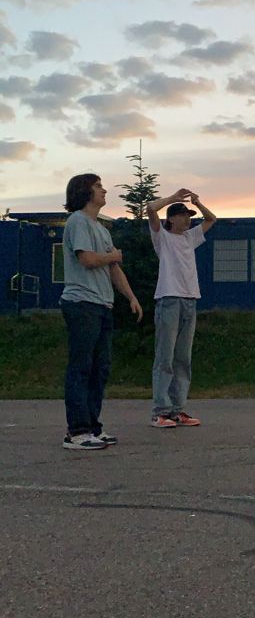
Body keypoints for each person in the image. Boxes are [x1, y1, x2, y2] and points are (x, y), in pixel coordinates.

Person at [61, 173, 143, 450]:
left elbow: (113, 269)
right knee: (81, 367)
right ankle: (77, 432)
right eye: (98, 186)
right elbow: (87, 259)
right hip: (81, 304)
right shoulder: (78, 222)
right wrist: (114, 256)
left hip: (102, 305)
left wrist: (131, 297)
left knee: (100, 369)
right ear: (85, 192)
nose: (104, 190)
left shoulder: (102, 229)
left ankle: (92, 428)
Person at [147, 188, 216, 428]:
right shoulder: (162, 237)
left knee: (183, 358)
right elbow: (150, 209)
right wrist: (172, 199)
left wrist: (198, 201)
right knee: (165, 356)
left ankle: (178, 410)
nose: (188, 219)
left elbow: (211, 219)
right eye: (184, 214)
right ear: (171, 218)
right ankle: (160, 411)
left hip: (190, 300)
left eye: (189, 215)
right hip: (169, 299)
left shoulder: (190, 237)